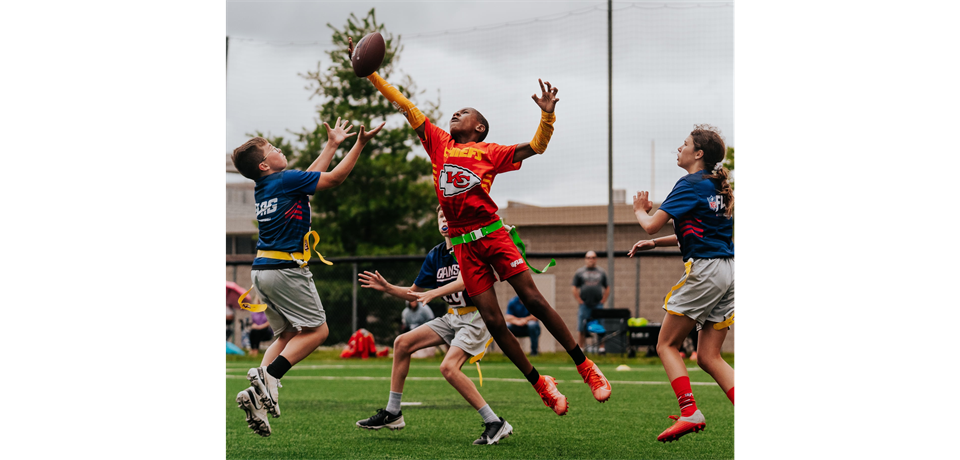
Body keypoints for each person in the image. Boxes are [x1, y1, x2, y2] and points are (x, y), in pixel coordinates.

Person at [350, 37, 611, 416]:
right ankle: (541, 383)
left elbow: (536, 147)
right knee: (492, 319)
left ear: (479, 128)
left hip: (492, 233)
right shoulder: (438, 143)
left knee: (535, 300)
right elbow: (404, 103)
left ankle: (585, 366)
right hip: (463, 244)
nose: (454, 115)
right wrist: (371, 73)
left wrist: (547, 114)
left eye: (463, 113)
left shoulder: (490, 153)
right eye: (454, 112)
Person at [230, 116, 385, 437]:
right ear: (263, 166)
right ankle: (269, 378)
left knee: (285, 336)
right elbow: (334, 179)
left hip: (262, 272)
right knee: (318, 331)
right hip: (286, 270)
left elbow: (309, 178)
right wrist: (359, 144)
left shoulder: (268, 186)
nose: (278, 148)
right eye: (271, 148)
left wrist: (331, 145)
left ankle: (258, 391)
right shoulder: (284, 180)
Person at [356, 205, 513, 446]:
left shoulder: (469, 248)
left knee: (448, 368)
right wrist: (388, 288)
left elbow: (464, 281)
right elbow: (413, 294)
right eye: (440, 215)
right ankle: (393, 413)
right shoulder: (436, 255)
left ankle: (495, 422)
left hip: (476, 317)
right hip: (454, 315)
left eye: (448, 214)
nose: (443, 218)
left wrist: (434, 293)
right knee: (402, 343)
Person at [628, 124, 735, 443]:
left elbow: (648, 225)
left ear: (698, 154)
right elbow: (697, 232)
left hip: (705, 271)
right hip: (729, 271)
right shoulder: (716, 185)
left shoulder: (688, 184)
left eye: (684, 144)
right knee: (708, 357)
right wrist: (656, 244)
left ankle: (690, 411)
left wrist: (638, 211)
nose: (679, 148)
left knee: (666, 344)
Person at [572, 251, 610, 352]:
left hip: (598, 304)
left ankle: (602, 348)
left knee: (601, 326)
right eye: (588, 257)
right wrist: (579, 300)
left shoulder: (601, 272)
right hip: (584, 305)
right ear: (585, 259)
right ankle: (581, 348)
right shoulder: (580, 272)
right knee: (581, 326)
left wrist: (604, 299)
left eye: (593, 257)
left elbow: (607, 287)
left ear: (596, 259)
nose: (591, 260)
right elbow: (574, 287)